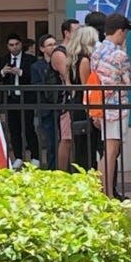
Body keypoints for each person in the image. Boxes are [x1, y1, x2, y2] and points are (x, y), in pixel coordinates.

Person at [90, 14, 131, 198]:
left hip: (99, 105)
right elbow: (127, 82)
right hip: (116, 107)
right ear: (121, 31)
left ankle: (102, 191)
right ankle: (107, 194)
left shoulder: (96, 51)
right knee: (111, 151)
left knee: (106, 151)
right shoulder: (119, 55)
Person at [0, 33, 39, 169]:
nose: (14, 47)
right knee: (14, 129)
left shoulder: (30, 59)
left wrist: (20, 73)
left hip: (26, 99)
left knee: (29, 128)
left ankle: (35, 157)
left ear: (21, 45)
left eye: (16, 44)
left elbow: (33, 78)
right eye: (11, 45)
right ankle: (18, 157)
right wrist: (3, 71)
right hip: (11, 98)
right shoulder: (4, 59)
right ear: (8, 46)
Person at [66, 26, 100, 170]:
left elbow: (70, 83)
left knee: (81, 147)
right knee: (87, 148)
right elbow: (88, 87)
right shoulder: (85, 60)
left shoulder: (73, 59)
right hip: (85, 105)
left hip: (77, 103)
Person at [51, 18, 80, 171]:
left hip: (74, 99)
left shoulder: (74, 51)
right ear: (66, 33)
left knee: (74, 138)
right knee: (66, 138)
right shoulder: (60, 53)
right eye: (76, 31)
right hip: (65, 100)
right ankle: (61, 173)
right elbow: (67, 79)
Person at [30, 34, 58, 169]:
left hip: (60, 106)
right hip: (46, 108)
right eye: (49, 45)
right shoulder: (37, 66)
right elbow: (35, 86)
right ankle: (52, 169)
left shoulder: (60, 62)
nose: (53, 47)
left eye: (54, 44)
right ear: (42, 49)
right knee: (51, 141)